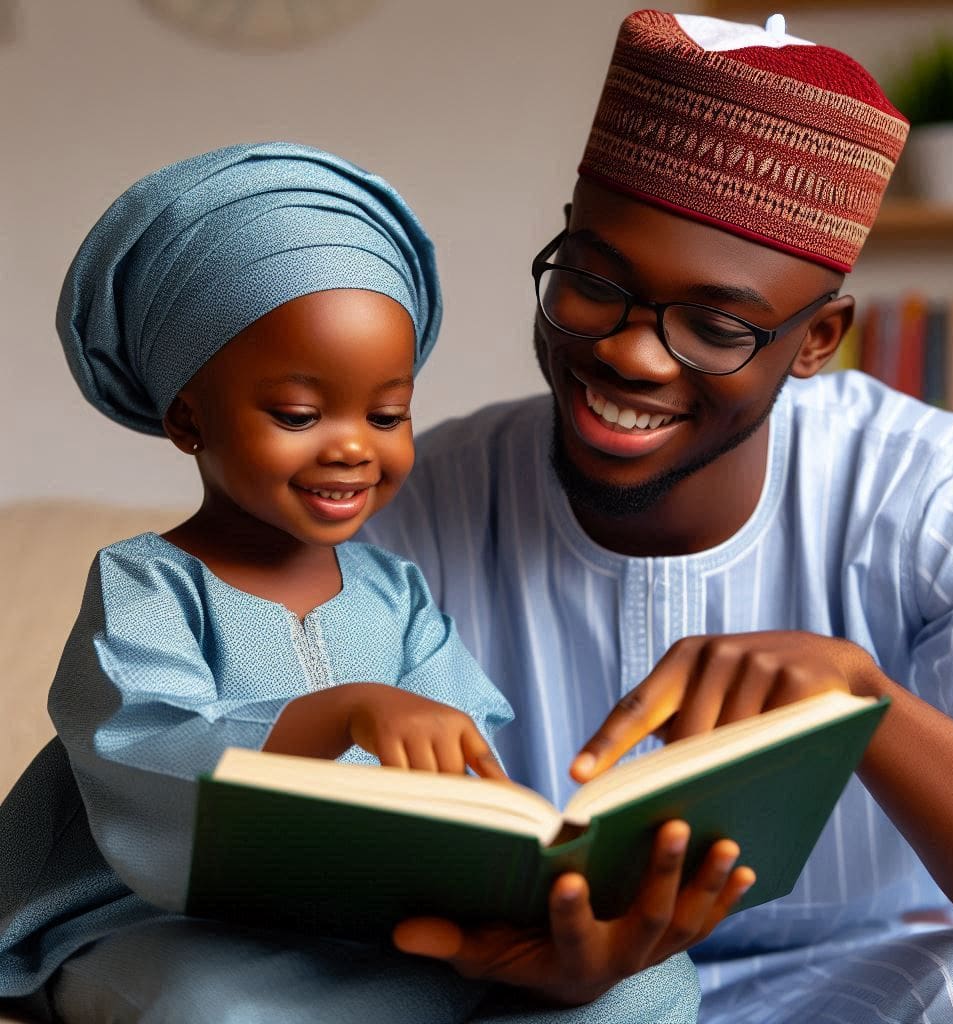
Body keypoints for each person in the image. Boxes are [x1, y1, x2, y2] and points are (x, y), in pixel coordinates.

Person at [361, 11, 953, 1022]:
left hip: (857, 981)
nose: (631, 354)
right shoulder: (415, 506)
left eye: (713, 325)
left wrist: (861, 699)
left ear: (817, 342)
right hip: (521, 992)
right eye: (593, 282)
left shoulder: (933, 491)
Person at [0, 141, 742, 1023]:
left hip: (376, 934)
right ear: (189, 419)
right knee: (217, 1011)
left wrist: (537, 868)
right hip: (168, 930)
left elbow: (472, 770)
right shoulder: (146, 585)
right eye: (300, 414)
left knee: (648, 988)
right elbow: (145, 759)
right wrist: (337, 712)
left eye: (387, 414)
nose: (354, 445)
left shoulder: (396, 595)